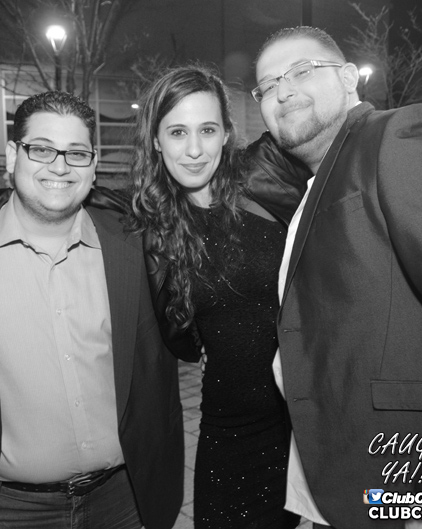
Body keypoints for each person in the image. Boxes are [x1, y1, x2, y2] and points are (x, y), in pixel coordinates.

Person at [247, 26, 422, 529]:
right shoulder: (318, 181)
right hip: (346, 476)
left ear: (347, 78)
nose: (283, 91)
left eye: (301, 71)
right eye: (267, 86)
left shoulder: (400, 135)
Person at [0, 91, 184, 529]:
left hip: (124, 501)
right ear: (12, 156)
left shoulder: (139, 246)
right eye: (41, 149)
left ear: (93, 166)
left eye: (76, 153)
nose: (59, 166)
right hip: (0, 511)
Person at [128, 64, 304, 529]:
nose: (194, 149)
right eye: (177, 132)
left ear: (227, 134)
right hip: (230, 434)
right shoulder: (153, 228)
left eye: (207, 130)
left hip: (306, 422)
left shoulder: (269, 185)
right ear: (155, 140)